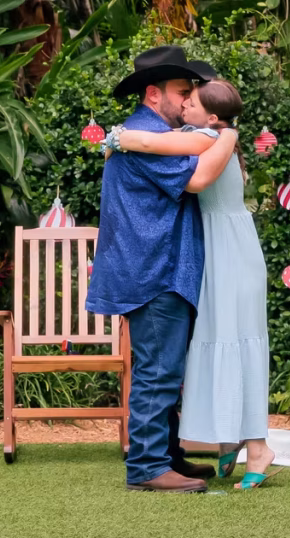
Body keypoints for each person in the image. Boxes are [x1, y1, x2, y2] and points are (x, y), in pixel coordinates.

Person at [86, 45, 239, 493]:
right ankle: (148, 468)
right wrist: (227, 134)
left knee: (167, 370)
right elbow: (198, 178)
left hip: (163, 266)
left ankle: (168, 456)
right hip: (155, 270)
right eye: (182, 90)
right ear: (154, 94)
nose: (190, 98)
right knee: (158, 370)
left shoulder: (152, 133)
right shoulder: (145, 134)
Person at [111, 79, 278, 490]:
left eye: (193, 98)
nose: (186, 102)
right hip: (215, 254)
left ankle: (255, 446)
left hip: (231, 255)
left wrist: (119, 136)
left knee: (235, 343)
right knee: (217, 345)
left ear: (213, 116)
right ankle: (223, 443)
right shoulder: (203, 134)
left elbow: (186, 171)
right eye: (182, 93)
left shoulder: (208, 137)